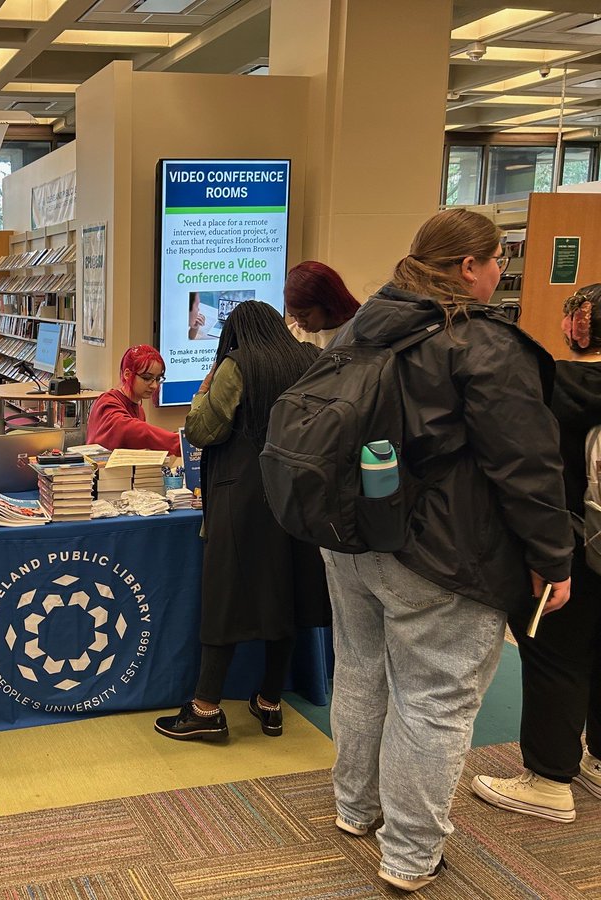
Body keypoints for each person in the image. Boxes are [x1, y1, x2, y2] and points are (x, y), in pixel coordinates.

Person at [318, 208, 572, 892]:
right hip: (442, 553)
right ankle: (409, 856)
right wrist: (554, 558)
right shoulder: (482, 346)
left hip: (348, 538)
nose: (499, 274)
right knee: (435, 702)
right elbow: (527, 465)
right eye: (495, 262)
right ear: (468, 268)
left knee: (361, 672)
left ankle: (355, 807)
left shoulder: (361, 326)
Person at [156, 302, 328, 743]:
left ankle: (206, 708)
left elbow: (201, 430)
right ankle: (270, 703)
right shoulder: (309, 359)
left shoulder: (238, 365)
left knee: (226, 598)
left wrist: (202, 391)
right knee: (287, 595)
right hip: (296, 496)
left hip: (243, 494)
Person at [471, 283, 601, 823]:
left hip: (574, 547)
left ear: (581, 324)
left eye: (576, 314)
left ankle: (549, 780)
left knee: (556, 656)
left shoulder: (555, 385)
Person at [85, 344, 180, 453]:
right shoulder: (107, 402)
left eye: (158, 379)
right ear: (127, 374)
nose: (154, 385)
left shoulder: (139, 410)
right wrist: (175, 441)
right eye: (147, 378)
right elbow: (128, 429)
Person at [283, 260, 361, 349]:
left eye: (304, 314)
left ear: (327, 303)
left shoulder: (361, 335)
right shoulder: (289, 336)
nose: (300, 323)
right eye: (293, 315)